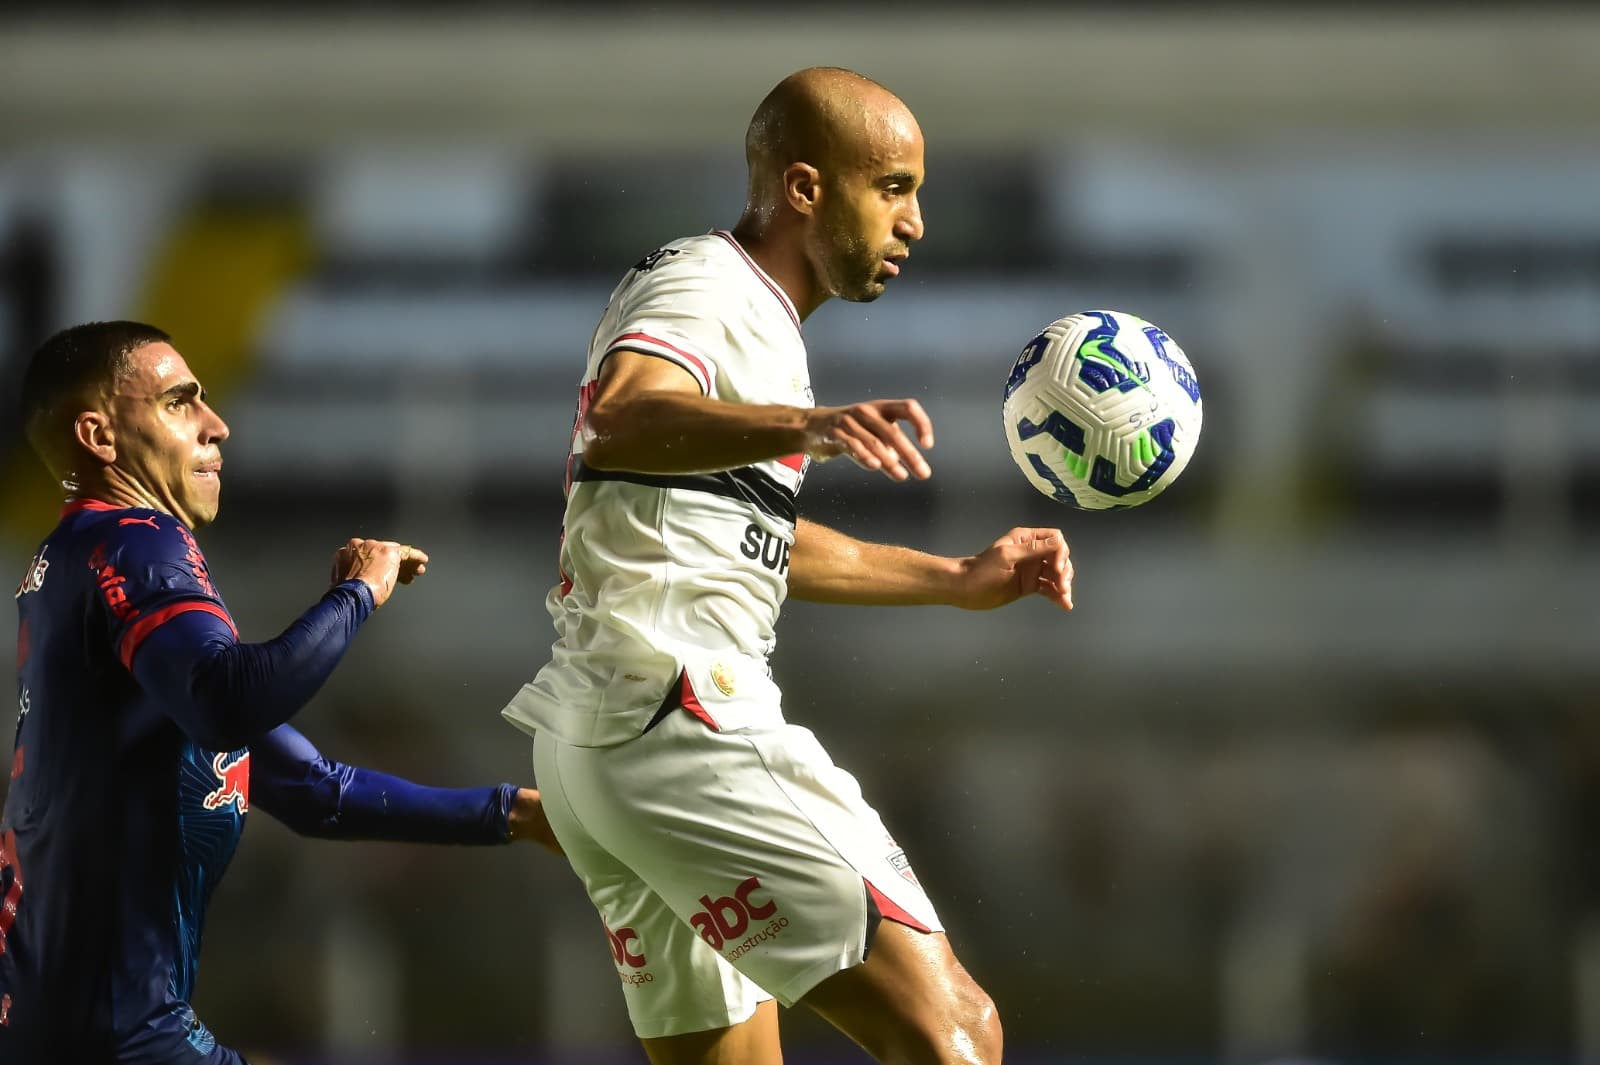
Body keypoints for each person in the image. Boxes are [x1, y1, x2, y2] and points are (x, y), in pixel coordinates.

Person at [501, 67, 1073, 1065]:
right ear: (806, 189)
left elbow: (748, 537)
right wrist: (807, 425)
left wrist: (952, 577)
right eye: (892, 188)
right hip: (680, 719)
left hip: (602, 747)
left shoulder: (761, 330)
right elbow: (620, 419)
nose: (917, 223)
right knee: (956, 1034)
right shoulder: (708, 283)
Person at [1, 320, 559, 1063]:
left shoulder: (84, 563)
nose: (216, 424)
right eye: (179, 403)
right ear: (100, 436)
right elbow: (229, 699)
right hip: (114, 1028)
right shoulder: (132, 541)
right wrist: (359, 593)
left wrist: (509, 813)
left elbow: (307, 788)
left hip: (69, 1017)